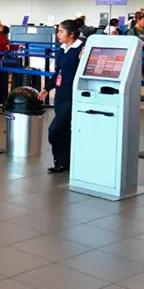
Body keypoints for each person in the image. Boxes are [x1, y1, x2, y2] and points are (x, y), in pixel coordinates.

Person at [38, 20, 83, 174]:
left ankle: (65, 159)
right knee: (63, 130)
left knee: (55, 129)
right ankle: (61, 162)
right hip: (59, 94)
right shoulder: (61, 50)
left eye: (61, 32)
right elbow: (58, 72)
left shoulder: (80, 50)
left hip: (72, 95)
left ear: (71, 34)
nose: (58, 35)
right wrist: (46, 88)